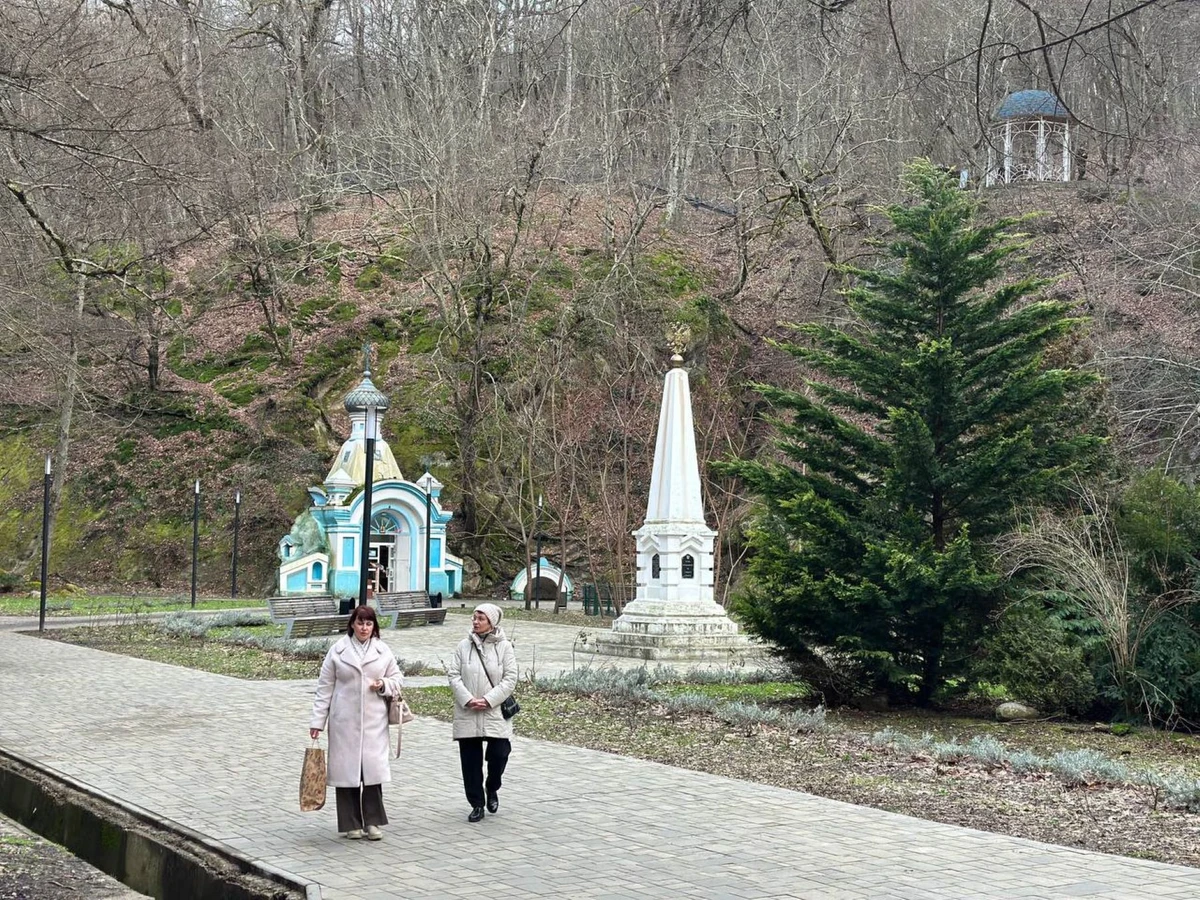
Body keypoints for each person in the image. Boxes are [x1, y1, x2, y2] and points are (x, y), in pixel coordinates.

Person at [309, 605, 403, 841]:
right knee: (347, 772)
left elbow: (397, 678)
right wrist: (317, 722)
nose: (364, 628)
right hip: (344, 721)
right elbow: (324, 688)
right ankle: (350, 823)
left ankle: (373, 822)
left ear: (374, 626)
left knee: (372, 773)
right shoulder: (337, 651)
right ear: (352, 624)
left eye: (369, 624)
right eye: (360, 623)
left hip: (374, 720)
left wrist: (383, 684)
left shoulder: (382, 650)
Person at [447, 602, 517, 823]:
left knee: (500, 752)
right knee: (470, 761)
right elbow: (453, 675)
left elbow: (510, 678)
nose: (475, 622)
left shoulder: (504, 647)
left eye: (481, 618)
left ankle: (492, 787)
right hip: (468, 710)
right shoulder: (463, 646)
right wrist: (468, 699)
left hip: (494, 710)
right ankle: (477, 804)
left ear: (492, 622)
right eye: (474, 618)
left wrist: (488, 700)